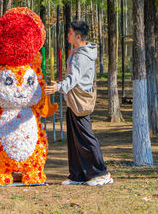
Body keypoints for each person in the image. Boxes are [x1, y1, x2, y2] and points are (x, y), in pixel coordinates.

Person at [45, 19, 113, 186]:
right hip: (73, 101)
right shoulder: (77, 52)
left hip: (79, 102)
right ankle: (77, 174)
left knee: (86, 137)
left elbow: (73, 79)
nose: (68, 35)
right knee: (74, 138)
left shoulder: (82, 55)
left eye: (70, 33)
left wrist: (58, 87)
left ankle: (101, 172)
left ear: (78, 36)